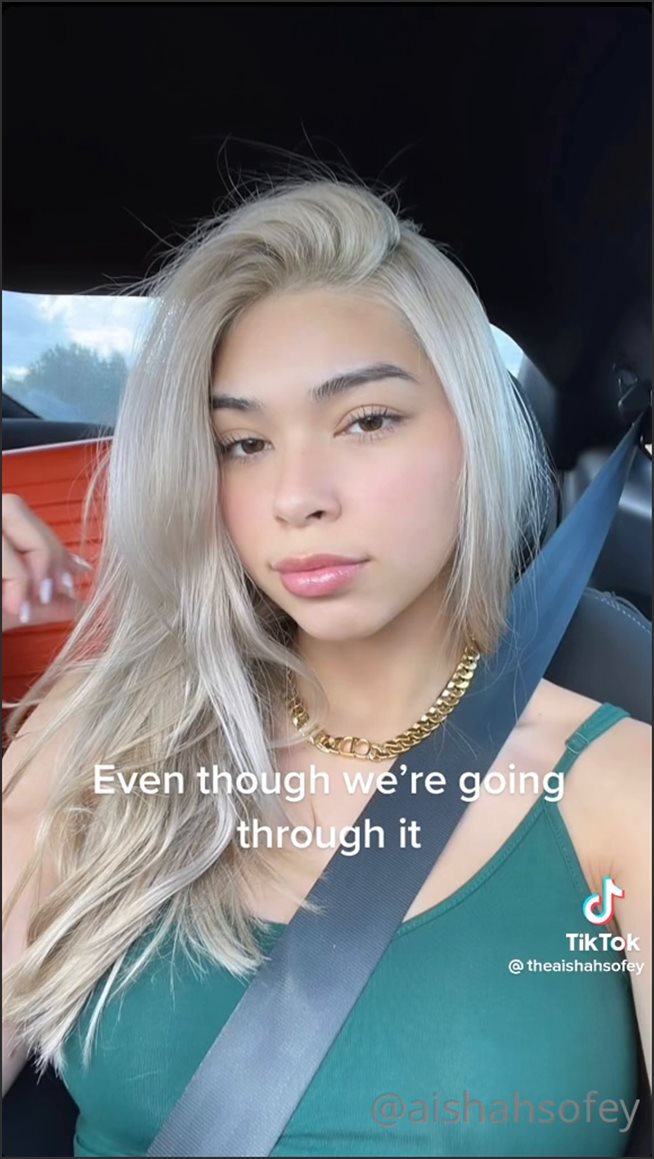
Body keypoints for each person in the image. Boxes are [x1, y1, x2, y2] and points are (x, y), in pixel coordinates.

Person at [2, 176, 651, 1158]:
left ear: (472, 430)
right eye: (242, 442)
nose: (296, 495)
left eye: (367, 420)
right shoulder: (98, 742)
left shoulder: (620, 790)